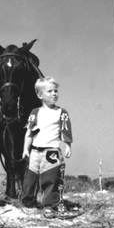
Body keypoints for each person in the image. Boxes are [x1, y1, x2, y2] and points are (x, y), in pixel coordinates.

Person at [21, 76, 73, 211]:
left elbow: (65, 130)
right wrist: (25, 149)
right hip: (35, 151)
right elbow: (29, 133)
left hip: (52, 151)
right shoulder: (35, 112)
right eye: (49, 91)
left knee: (50, 179)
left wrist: (68, 145)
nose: (54, 94)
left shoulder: (61, 112)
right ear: (40, 95)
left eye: (56, 91)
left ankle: (49, 205)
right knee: (30, 178)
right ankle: (28, 202)